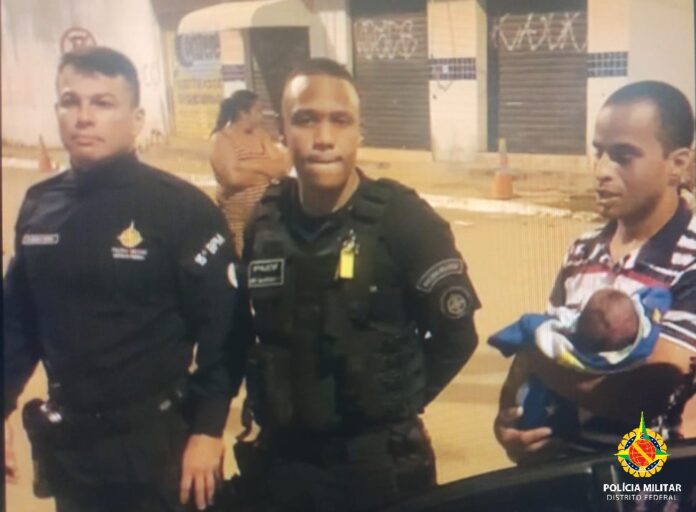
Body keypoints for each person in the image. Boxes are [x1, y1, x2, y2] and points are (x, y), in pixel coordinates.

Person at [3, 46, 251, 511]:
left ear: (136, 120)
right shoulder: (39, 206)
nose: (84, 117)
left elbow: (226, 329)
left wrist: (207, 429)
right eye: (71, 101)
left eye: (102, 103)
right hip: (74, 451)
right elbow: (17, 322)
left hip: (160, 449)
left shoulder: (179, 208)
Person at [228, 58, 480, 511]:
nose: (324, 138)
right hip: (282, 464)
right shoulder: (265, 223)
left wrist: (396, 402)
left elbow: (456, 336)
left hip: (376, 470)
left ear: (360, 131)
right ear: (282, 131)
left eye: (340, 121)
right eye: (305, 120)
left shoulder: (403, 220)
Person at [494, 81, 696, 465]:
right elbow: (549, 338)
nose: (601, 171)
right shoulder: (582, 250)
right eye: (598, 152)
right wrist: (510, 427)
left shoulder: (690, 258)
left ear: (678, 164)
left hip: (649, 482)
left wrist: (539, 357)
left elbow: (649, 395)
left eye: (623, 156)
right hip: (565, 474)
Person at [210, 90, 290, 255]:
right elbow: (232, 179)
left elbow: (282, 168)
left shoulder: (261, 135)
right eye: (258, 111)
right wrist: (267, 173)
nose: (262, 115)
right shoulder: (222, 139)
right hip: (238, 225)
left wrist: (248, 164)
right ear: (243, 113)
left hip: (267, 221)